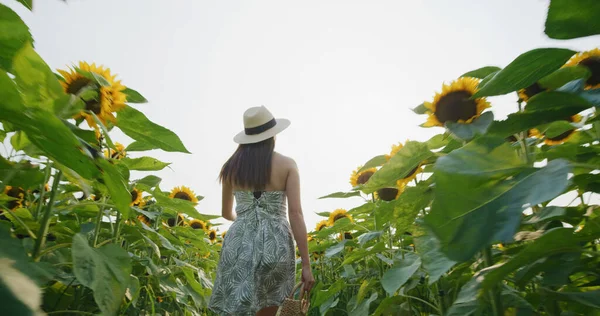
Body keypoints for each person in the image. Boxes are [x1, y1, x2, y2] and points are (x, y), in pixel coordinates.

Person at [208, 106, 315, 316]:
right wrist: (306, 264)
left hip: (239, 245)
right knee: (271, 310)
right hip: (275, 246)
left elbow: (226, 213)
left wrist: (245, 218)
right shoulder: (287, 165)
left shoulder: (230, 168)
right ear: (272, 135)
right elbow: (296, 214)